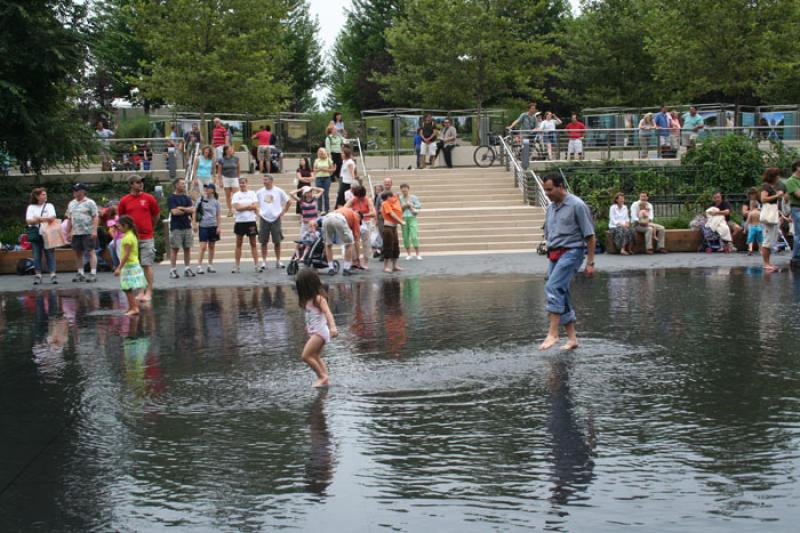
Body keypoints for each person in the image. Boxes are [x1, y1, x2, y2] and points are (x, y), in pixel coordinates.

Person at [539, 173, 595, 351]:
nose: (546, 193)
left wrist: (590, 262)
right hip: (555, 253)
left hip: (572, 251)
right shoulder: (551, 208)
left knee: (553, 287)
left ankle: (553, 333)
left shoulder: (577, 205)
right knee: (561, 291)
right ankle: (572, 338)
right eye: (545, 189)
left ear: (560, 186)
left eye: (550, 189)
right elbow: (550, 233)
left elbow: (590, 236)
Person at [118, 174, 160, 301]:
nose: (141, 184)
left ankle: (149, 292)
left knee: (146, 264)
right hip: (132, 238)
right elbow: (122, 219)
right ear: (131, 184)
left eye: (141, 182)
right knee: (135, 266)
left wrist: (151, 227)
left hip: (147, 236)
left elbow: (156, 214)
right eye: (137, 182)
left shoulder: (149, 198)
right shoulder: (124, 200)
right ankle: (140, 291)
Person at [295, 268, 337, 388]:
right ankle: (325, 378)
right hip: (315, 332)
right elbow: (312, 315)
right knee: (316, 356)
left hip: (320, 333)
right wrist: (307, 326)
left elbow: (328, 313)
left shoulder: (318, 299)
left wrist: (333, 327)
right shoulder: (308, 299)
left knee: (306, 356)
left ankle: (322, 377)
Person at [65, 183, 99, 283]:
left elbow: (95, 216)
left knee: (91, 251)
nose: (74, 192)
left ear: (83, 191)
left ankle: (93, 273)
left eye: (76, 190)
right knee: (77, 253)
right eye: (74, 190)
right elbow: (69, 218)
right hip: (76, 232)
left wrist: (94, 230)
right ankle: (80, 273)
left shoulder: (90, 202)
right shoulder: (71, 203)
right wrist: (68, 232)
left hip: (88, 231)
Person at [113, 215, 147, 316]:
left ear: (126, 225)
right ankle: (131, 307)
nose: (118, 228)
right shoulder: (131, 235)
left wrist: (119, 267)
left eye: (119, 226)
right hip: (132, 264)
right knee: (127, 288)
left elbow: (126, 255)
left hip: (129, 266)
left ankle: (134, 308)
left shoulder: (127, 238)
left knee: (127, 288)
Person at [257, 174, 291, 270]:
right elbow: (254, 202)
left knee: (277, 241)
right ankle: (264, 261)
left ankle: (278, 260)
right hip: (264, 218)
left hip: (276, 218)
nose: (264, 181)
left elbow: (289, 201)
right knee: (263, 241)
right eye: (263, 180)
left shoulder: (278, 191)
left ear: (271, 181)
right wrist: (258, 212)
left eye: (266, 180)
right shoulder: (260, 192)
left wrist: (283, 212)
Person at [26, 187, 58, 285]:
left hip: (48, 232)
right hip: (36, 233)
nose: (45, 196)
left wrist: (38, 218)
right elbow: (29, 221)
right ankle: (38, 275)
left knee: (50, 254)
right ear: (37, 196)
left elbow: (52, 217)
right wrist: (44, 219)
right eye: (43, 194)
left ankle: (53, 275)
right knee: (36, 255)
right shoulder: (31, 207)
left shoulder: (49, 206)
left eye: (45, 194)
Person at [230, 177, 260, 273]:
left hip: (250, 221)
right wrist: (249, 207)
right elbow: (237, 208)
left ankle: (256, 265)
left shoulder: (252, 193)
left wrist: (245, 207)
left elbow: (255, 206)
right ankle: (237, 265)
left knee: (253, 243)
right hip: (240, 221)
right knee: (238, 243)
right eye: (240, 183)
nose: (242, 184)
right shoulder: (236, 195)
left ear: (247, 183)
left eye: (243, 183)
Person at [167, 177, 195, 279]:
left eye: (184, 184)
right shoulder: (171, 198)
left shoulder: (186, 198)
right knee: (175, 249)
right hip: (176, 227)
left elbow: (192, 210)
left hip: (187, 226)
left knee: (187, 248)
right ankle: (173, 270)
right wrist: (186, 210)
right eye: (182, 184)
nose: (184, 185)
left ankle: (187, 268)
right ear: (176, 185)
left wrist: (182, 208)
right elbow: (174, 212)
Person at [345, 184, 377, 270]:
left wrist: (362, 214)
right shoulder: (353, 200)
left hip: (366, 222)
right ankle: (355, 261)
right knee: (354, 242)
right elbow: (344, 209)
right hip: (355, 223)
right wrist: (353, 213)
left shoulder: (368, 200)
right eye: (357, 196)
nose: (358, 198)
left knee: (366, 243)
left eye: (360, 197)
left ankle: (366, 261)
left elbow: (374, 213)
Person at [322, 206, 359, 276]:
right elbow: (356, 237)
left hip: (327, 217)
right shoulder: (356, 216)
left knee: (328, 244)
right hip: (339, 219)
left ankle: (331, 268)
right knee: (349, 243)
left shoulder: (345, 209)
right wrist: (357, 258)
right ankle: (346, 268)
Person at [760, 167, 784, 272]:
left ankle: (768, 262)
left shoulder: (770, 187)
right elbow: (763, 199)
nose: (778, 177)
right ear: (772, 176)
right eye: (777, 175)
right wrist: (777, 195)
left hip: (772, 215)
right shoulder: (766, 186)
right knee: (767, 241)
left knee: (770, 241)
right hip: (768, 216)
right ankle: (766, 263)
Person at [194, 183, 221, 274]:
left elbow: (218, 215)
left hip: (213, 225)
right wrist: (194, 223)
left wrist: (219, 226)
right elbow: (195, 212)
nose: (206, 189)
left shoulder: (216, 202)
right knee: (203, 247)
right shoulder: (200, 199)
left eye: (208, 188)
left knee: (212, 246)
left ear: (213, 190)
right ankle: (199, 266)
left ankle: (210, 265)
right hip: (203, 225)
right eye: (205, 188)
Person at [380, 190, 405, 273]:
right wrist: (401, 221)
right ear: (388, 197)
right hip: (388, 227)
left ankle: (394, 266)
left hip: (394, 227)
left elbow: (395, 199)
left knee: (395, 246)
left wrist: (397, 195)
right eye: (391, 197)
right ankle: (385, 266)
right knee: (388, 246)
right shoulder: (385, 203)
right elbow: (392, 214)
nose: (392, 198)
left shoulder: (390, 203)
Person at [399, 183, 422, 260]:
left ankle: (417, 254)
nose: (404, 191)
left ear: (408, 189)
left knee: (414, 236)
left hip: (412, 217)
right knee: (405, 237)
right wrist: (405, 205)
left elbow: (419, 205)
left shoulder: (413, 197)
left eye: (405, 189)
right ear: (401, 190)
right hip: (403, 218)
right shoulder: (399, 198)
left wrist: (412, 205)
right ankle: (408, 254)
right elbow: (398, 208)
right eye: (403, 189)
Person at [784, 160, 800, 267]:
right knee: (799, 233)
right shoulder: (791, 181)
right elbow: (798, 195)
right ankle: (796, 256)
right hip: (798, 209)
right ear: (798, 168)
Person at [218, 145, 240, 217]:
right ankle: (230, 210)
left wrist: (238, 178)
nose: (231, 151)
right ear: (226, 151)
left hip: (234, 178)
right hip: (225, 178)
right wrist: (220, 181)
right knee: (228, 196)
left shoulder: (236, 158)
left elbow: (238, 169)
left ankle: (237, 209)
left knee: (236, 195)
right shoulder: (221, 159)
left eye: (231, 149)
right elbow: (219, 171)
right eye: (229, 149)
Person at [313, 147, 336, 214]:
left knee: (326, 194)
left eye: (323, 152)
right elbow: (314, 170)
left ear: (325, 153)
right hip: (318, 178)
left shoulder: (328, 160)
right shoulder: (316, 160)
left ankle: (327, 209)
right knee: (319, 194)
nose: (321, 154)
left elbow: (332, 170)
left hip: (326, 178)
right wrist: (320, 169)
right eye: (320, 152)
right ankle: (319, 209)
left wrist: (326, 170)